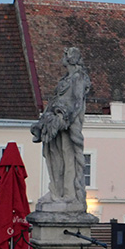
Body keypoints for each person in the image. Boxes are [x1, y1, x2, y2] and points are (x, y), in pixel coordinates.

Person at [31, 47, 91, 212]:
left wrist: (66, 119)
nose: (63, 57)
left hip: (68, 125)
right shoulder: (66, 78)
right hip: (56, 123)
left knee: (68, 156)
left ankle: (69, 194)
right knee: (54, 156)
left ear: (71, 58)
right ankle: (55, 191)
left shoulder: (78, 78)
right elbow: (57, 99)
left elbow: (77, 102)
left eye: (65, 55)